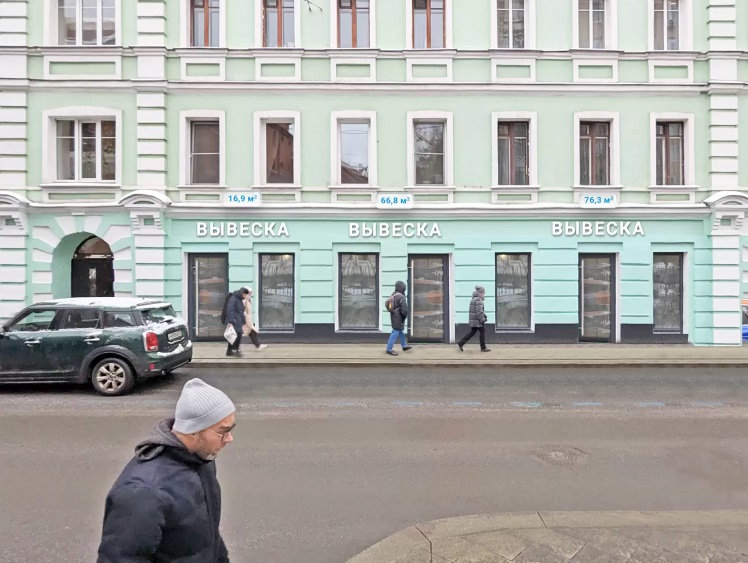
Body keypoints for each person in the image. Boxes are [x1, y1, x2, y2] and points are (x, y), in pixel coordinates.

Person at [97, 378, 235, 563]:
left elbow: (208, 536)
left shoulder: (201, 460)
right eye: (223, 431)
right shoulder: (144, 492)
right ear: (193, 430)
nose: (229, 438)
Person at [457, 285, 491, 352]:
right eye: (483, 293)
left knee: (473, 332)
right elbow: (479, 311)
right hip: (477, 321)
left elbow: (476, 310)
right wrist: (482, 319)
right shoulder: (479, 300)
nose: (484, 294)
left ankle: (461, 342)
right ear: (481, 293)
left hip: (474, 320)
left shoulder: (474, 299)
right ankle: (483, 347)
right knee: (482, 331)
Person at [386, 280, 412, 356]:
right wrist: (404, 316)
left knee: (400, 331)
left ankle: (404, 346)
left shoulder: (393, 295)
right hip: (399, 317)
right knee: (395, 332)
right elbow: (404, 309)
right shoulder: (401, 296)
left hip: (393, 316)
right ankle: (389, 349)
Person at [225, 287, 249, 357]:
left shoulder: (239, 299)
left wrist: (243, 321)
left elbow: (241, 311)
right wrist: (231, 320)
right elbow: (230, 310)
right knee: (237, 335)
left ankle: (229, 351)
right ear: (241, 293)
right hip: (235, 320)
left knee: (233, 335)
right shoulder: (234, 299)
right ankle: (235, 350)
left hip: (238, 320)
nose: (245, 296)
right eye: (244, 295)